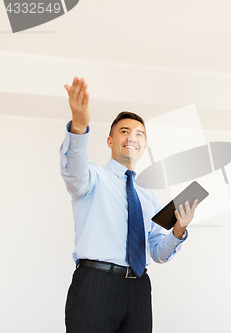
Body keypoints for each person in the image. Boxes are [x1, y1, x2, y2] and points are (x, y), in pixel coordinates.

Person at [60, 77, 197, 333]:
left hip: (139, 289)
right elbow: (73, 171)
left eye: (139, 134)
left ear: (144, 145)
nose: (131, 137)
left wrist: (178, 230)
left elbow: (157, 253)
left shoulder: (148, 196)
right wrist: (78, 126)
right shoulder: (91, 178)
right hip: (96, 284)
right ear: (110, 141)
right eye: (124, 131)